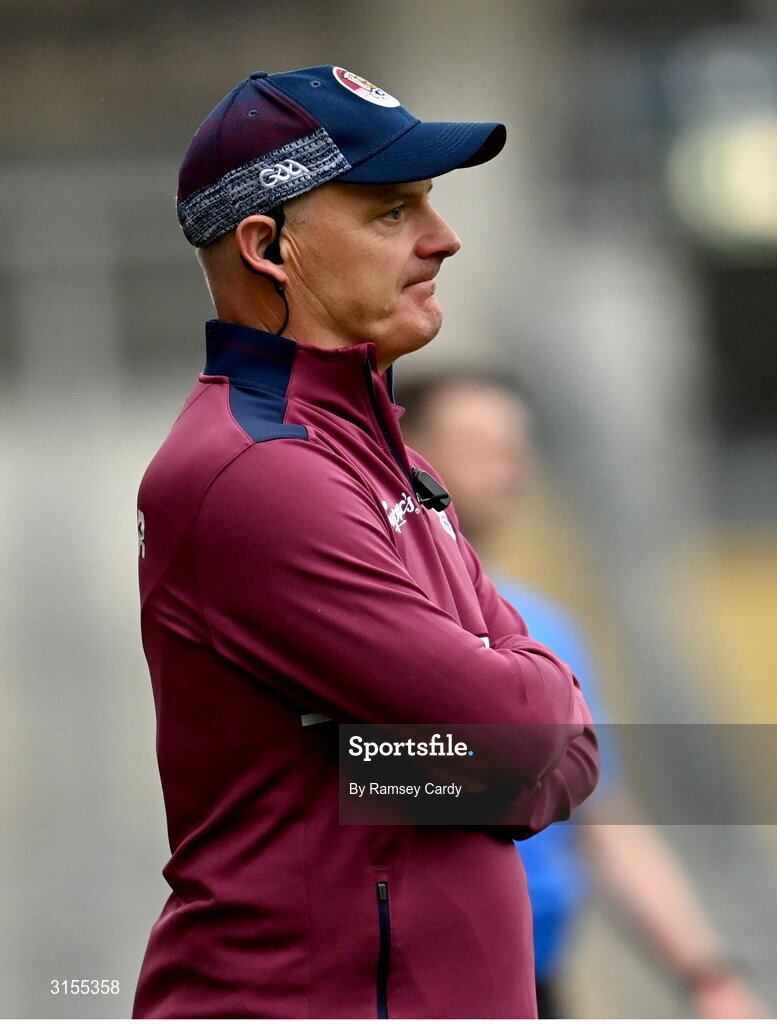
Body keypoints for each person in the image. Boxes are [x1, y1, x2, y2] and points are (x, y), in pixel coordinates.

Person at [131, 65, 599, 1019]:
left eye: (426, 203)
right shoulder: (256, 472)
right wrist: (485, 755)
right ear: (269, 248)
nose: (444, 238)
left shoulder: (377, 451)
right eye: (391, 212)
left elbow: (571, 750)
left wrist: (371, 763)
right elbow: (519, 737)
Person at [400, 370, 767, 1020]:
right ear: (412, 457)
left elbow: (603, 822)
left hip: (535, 982)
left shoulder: (547, 627)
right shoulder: (376, 619)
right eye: (481, 445)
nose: (510, 467)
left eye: (517, 446)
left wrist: (706, 975)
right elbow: (367, 779)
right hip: (413, 990)